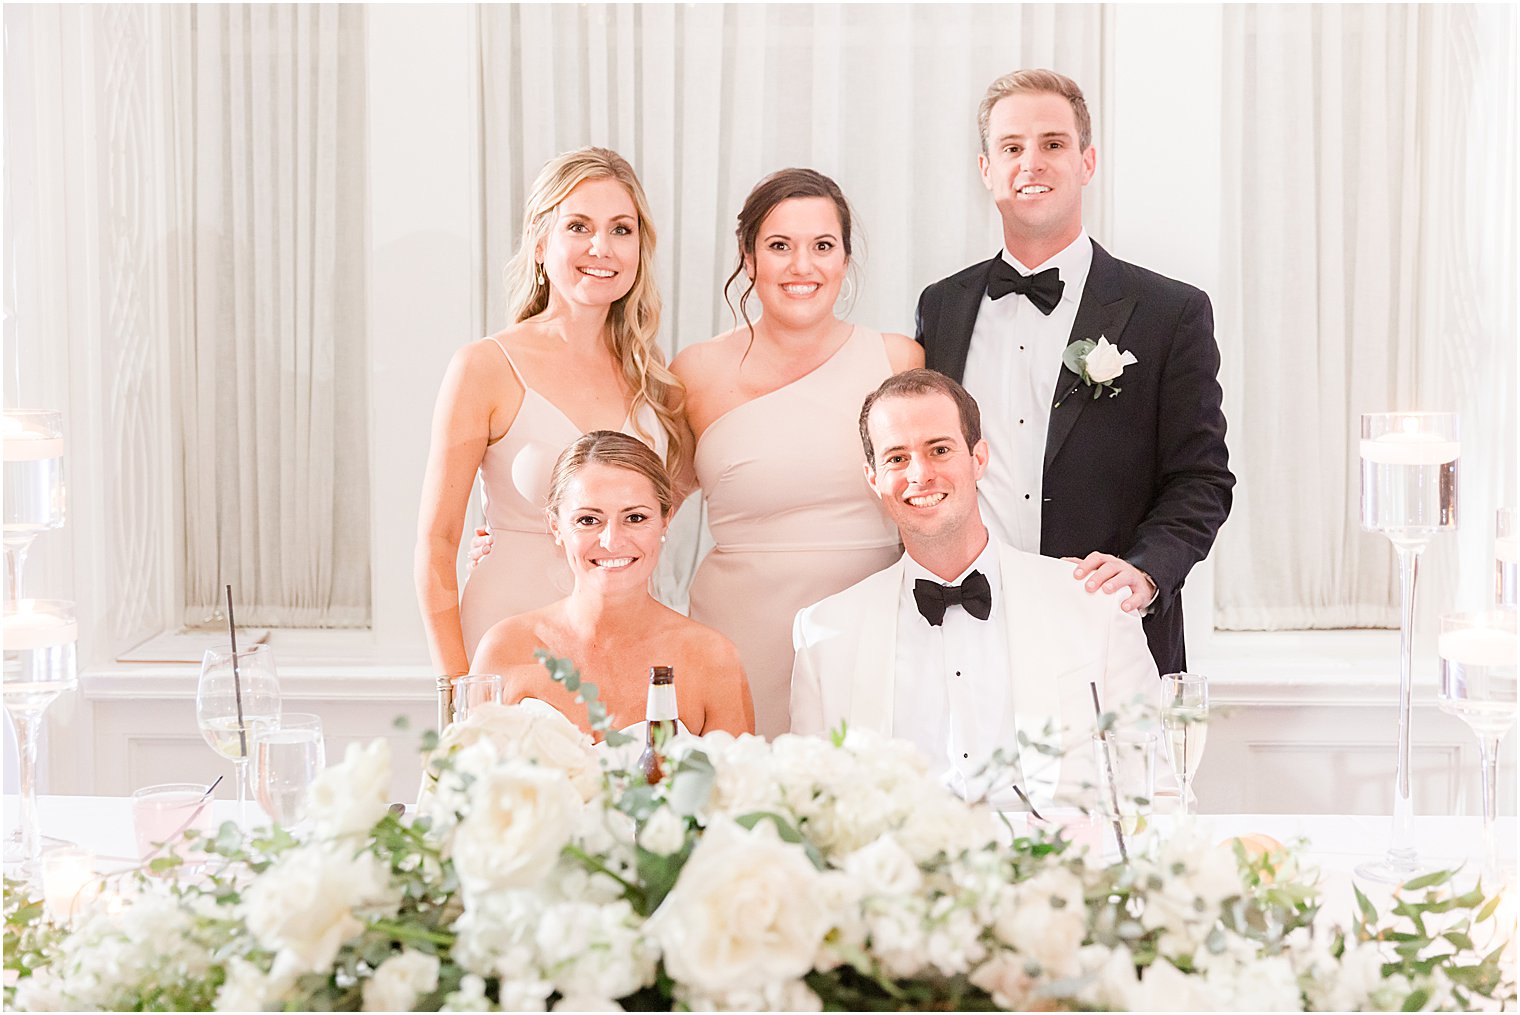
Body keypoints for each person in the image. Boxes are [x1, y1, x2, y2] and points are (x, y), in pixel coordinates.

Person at [914, 69, 1233, 675]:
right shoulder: (941, 306)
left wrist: (1144, 570)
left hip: (1108, 628)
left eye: (1053, 144)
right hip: (963, 629)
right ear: (986, 170)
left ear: (1087, 162)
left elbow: (1202, 479)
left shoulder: (1171, 312)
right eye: (1012, 148)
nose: (1031, 163)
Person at [790, 370, 1159, 811]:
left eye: (939, 450)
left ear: (979, 458)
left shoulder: (1094, 604)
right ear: (872, 478)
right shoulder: (824, 634)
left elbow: (1153, 782)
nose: (920, 474)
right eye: (896, 458)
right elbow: (808, 805)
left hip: (1057, 868)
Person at [415, 148, 690, 679]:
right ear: (541, 244)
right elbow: (436, 546)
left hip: (623, 642)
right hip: (509, 638)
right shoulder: (485, 367)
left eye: (621, 229)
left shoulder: (649, 373)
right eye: (579, 226)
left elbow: (672, 495)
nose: (601, 248)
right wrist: (458, 694)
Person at [670, 168, 924, 738]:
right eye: (779, 246)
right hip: (738, 636)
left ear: (845, 258)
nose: (801, 266)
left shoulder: (898, 360)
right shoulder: (697, 371)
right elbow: (650, 500)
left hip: (871, 635)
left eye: (822, 246)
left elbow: (941, 494)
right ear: (749, 255)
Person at [472, 431, 753, 739]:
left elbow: (735, 785)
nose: (612, 541)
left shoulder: (712, 658)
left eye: (634, 517)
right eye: (589, 520)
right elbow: (468, 781)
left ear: (665, 520)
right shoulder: (505, 649)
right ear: (556, 526)